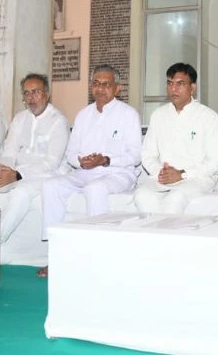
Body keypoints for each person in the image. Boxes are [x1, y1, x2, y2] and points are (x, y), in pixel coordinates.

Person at [38, 65, 141, 277]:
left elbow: (136, 156)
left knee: (95, 188)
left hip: (118, 173)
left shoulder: (128, 115)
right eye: (96, 83)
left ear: (117, 88)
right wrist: (81, 161)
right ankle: (56, 255)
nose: (100, 89)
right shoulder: (83, 115)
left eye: (106, 84)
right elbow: (70, 153)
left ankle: (97, 256)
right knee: (51, 186)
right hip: (84, 172)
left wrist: (105, 160)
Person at [0, 74, 69, 242]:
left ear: (47, 94)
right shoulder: (20, 118)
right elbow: (9, 152)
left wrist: (16, 174)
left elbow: (51, 162)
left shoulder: (58, 120)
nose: (30, 98)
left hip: (47, 175)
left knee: (21, 193)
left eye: (35, 92)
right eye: (26, 93)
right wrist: (6, 171)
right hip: (15, 172)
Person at [134, 62, 218, 214]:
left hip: (197, 178)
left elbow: (216, 162)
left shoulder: (208, 117)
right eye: (169, 83)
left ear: (192, 88)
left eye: (180, 84)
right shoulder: (158, 115)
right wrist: (161, 172)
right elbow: (148, 155)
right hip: (162, 177)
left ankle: (164, 236)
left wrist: (182, 174)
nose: (173, 89)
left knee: (175, 198)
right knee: (141, 195)